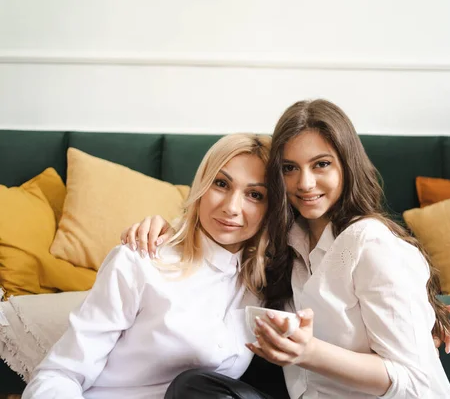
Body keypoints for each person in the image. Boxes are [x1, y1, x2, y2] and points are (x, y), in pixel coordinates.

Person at [126, 99, 450, 399]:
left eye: (321, 164)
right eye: (290, 168)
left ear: (347, 165)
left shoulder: (369, 243)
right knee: (194, 385)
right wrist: (169, 231)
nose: (305, 184)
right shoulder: (286, 239)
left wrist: (309, 353)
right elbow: (222, 233)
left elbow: (415, 382)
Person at [22, 134, 272, 399]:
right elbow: (61, 374)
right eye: (221, 184)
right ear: (201, 186)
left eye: (255, 195)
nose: (232, 207)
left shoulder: (264, 282)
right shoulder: (141, 260)